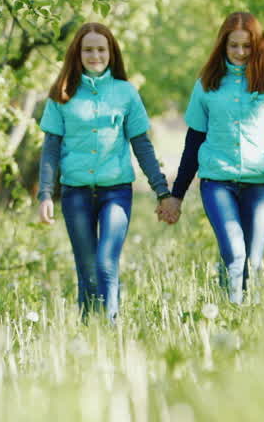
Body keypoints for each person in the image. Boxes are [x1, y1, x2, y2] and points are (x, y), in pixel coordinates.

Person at [157, 11, 264, 304]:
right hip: (217, 182)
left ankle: (249, 320)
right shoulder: (207, 84)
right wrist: (176, 195)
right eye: (234, 46)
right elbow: (193, 141)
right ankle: (232, 311)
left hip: (259, 184)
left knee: (253, 262)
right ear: (223, 45)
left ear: (258, 46)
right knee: (235, 253)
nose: (240, 52)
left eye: (247, 46)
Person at [37, 22, 171, 321]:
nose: (95, 55)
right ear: (77, 53)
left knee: (105, 263)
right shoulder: (62, 93)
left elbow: (142, 145)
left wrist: (161, 190)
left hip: (116, 192)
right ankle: (89, 329)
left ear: (111, 53)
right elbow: (50, 148)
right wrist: (45, 193)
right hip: (75, 193)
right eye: (88, 49)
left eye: (101, 49)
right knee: (87, 269)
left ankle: (110, 327)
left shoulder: (125, 93)